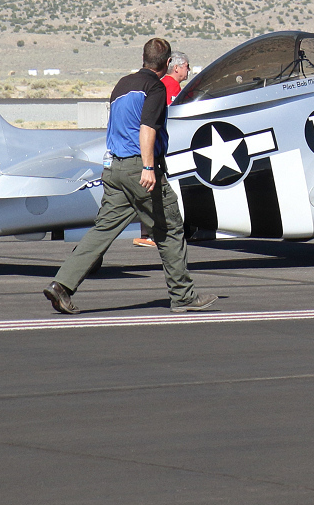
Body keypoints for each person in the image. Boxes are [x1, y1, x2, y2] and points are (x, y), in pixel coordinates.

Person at [45, 38, 216, 314]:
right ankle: (183, 296)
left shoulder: (122, 85)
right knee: (170, 229)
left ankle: (62, 285)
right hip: (140, 170)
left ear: (144, 58)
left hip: (114, 169)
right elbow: (147, 129)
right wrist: (149, 167)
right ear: (167, 63)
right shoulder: (155, 88)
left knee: (103, 230)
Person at [134, 50, 191, 248]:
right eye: (186, 66)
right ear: (176, 67)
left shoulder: (165, 85)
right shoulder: (170, 87)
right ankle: (154, 233)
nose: (188, 70)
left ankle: (149, 232)